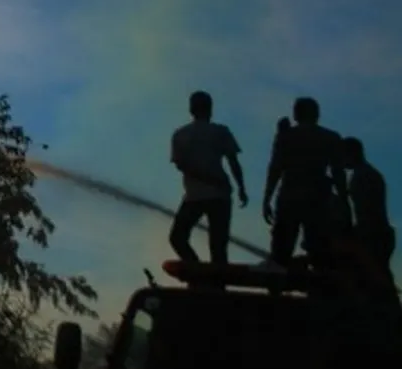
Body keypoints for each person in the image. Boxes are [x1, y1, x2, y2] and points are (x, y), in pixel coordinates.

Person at [262, 97, 348, 270]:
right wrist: (344, 202)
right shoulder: (330, 137)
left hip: (290, 195)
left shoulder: (286, 136)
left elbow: (276, 168)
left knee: (281, 250)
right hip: (318, 197)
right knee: (320, 251)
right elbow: (339, 173)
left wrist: (267, 198)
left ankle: (277, 288)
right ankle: (319, 292)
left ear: (296, 114)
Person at [168, 91, 248, 264]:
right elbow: (234, 162)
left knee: (178, 238)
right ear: (210, 109)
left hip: (195, 196)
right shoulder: (220, 131)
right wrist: (241, 188)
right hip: (219, 194)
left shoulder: (180, 134)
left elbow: (181, 165)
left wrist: (205, 178)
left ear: (191, 109)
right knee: (218, 247)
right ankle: (211, 282)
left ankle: (197, 272)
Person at [341, 137, 395, 285]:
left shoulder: (362, 176)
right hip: (378, 233)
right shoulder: (368, 174)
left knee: (374, 279)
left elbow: (367, 210)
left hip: (373, 234)